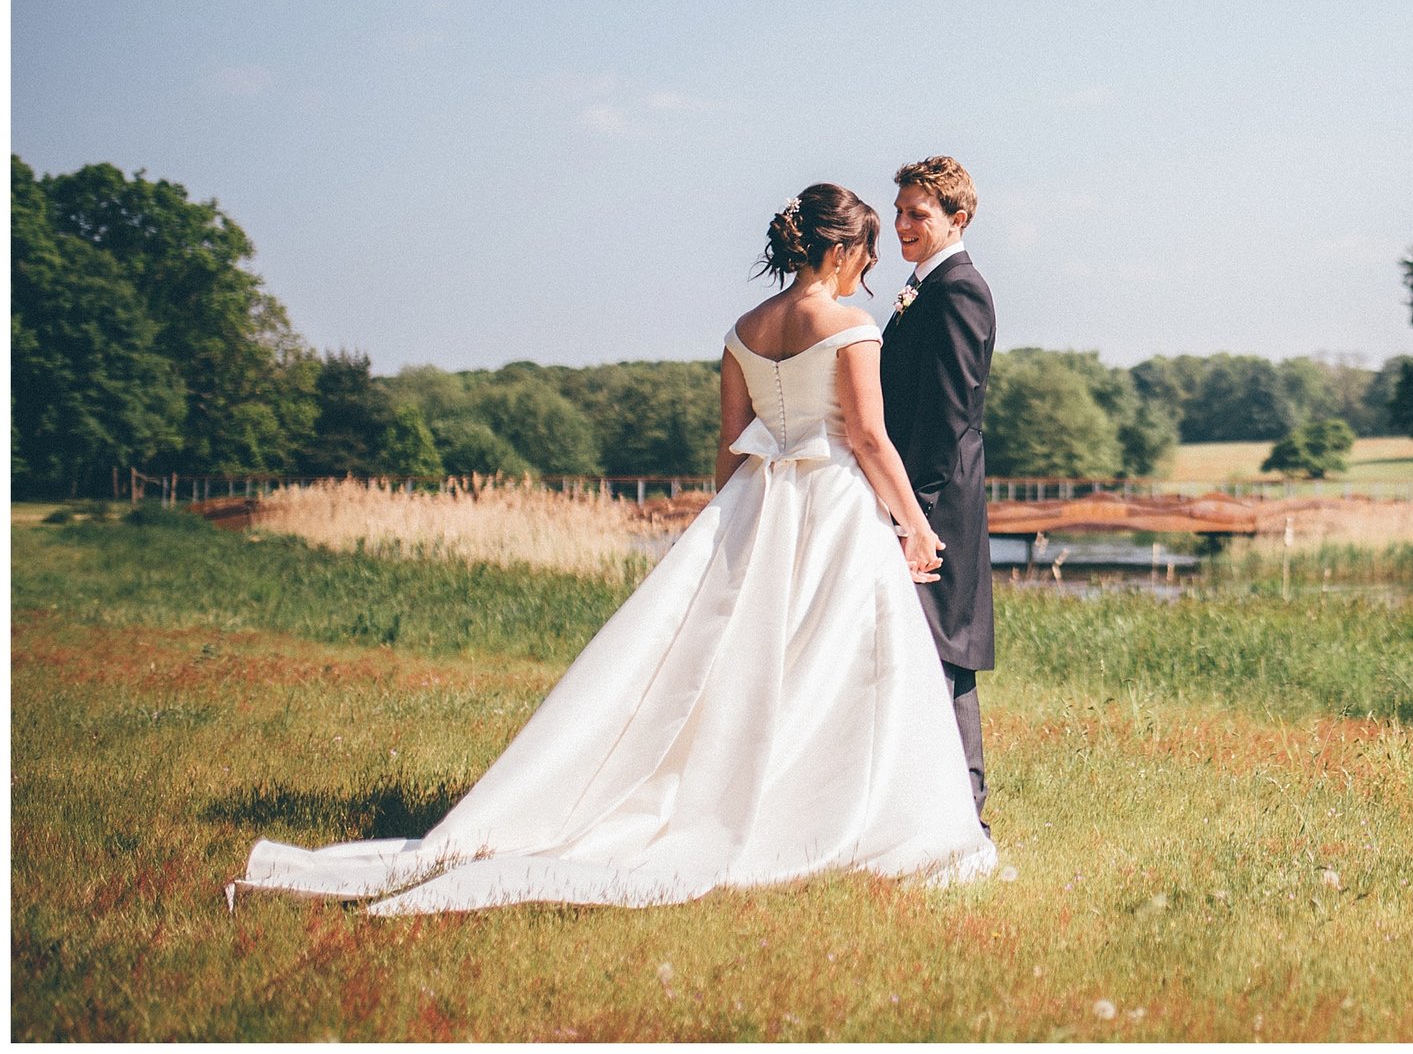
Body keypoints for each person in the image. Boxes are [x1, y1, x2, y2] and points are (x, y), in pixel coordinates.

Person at [230, 184, 994, 914]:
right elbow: (865, 437)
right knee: (834, 664)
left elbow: (730, 447)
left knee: (745, 659)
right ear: (841, 251)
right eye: (865, 253)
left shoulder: (743, 331)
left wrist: (726, 525)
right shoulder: (851, 328)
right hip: (830, 511)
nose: (871, 268)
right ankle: (822, 812)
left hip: (757, 506)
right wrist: (915, 526)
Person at [881, 155, 995, 830]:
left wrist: (912, 518)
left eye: (916, 213)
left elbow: (948, 417)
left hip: (938, 504)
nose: (900, 224)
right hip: (913, 501)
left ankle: (966, 821)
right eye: (898, 211)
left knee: (945, 656)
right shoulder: (924, 289)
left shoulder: (959, 290)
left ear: (957, 218)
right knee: (915, 653)